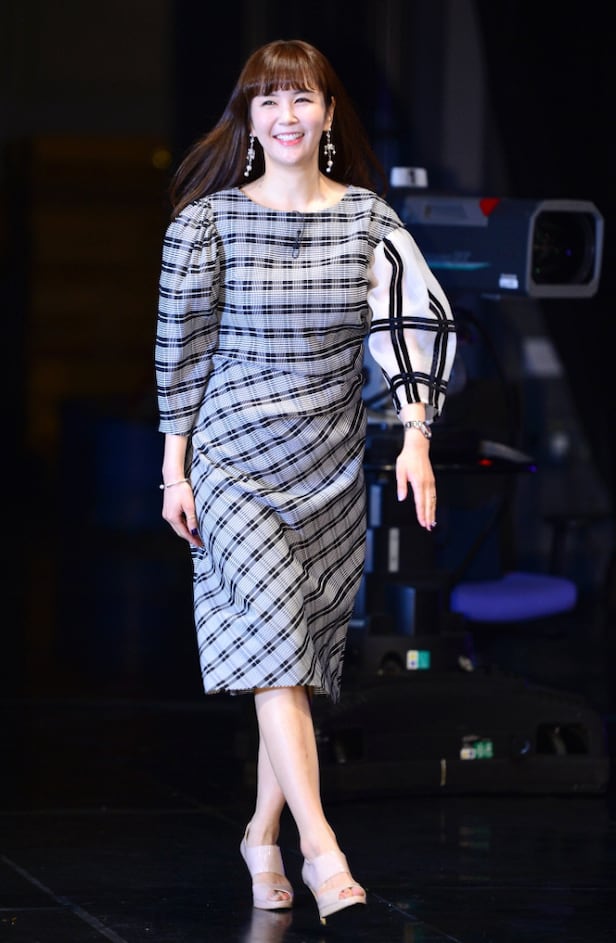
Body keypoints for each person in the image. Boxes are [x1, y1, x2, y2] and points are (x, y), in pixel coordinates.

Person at [155, 38, 456, 924]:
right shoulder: (207, 224)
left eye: (302, 99)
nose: (286, 116)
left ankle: (261, 834)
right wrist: (173, 470)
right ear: (247, 120)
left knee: (287, 662)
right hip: (233, 463)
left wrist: (416, 435)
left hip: (328, 469)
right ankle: (324, 853)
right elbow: (181, 352)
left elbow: (412, 321)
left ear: (327, 115)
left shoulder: (368, 221)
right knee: (276, 650)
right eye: (268, 100)